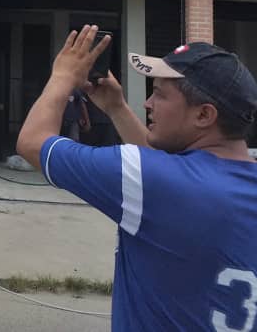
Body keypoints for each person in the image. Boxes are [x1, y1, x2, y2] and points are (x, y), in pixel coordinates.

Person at [17, 26, 257, 331]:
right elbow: (172, 176)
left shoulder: (146, 177)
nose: (147, 104)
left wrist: (62, 77)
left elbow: (33, 142)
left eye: (159, 94)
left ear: (203, 115)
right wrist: (116, 109)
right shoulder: (233, 185)